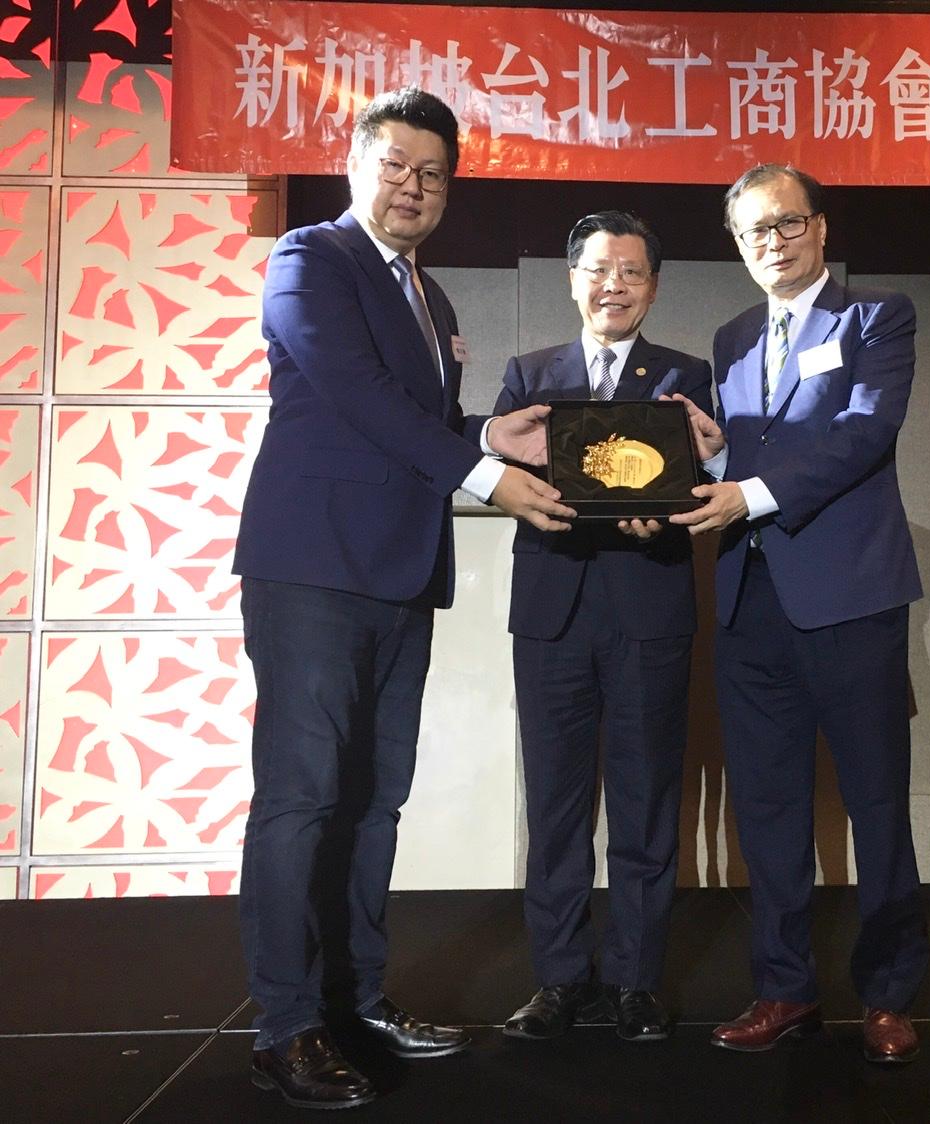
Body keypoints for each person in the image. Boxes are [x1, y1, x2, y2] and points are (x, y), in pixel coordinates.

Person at [233, 86, 575, 1110]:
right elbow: (354, 396)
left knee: (375, 798)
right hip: (310, 570)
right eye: (395, 166)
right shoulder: (307, 259)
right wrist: (484, 477)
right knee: (299, 799)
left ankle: (356, 999)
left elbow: (416, 415)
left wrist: (486, 435)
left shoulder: (432, 299)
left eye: (432, 173)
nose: (413, 187)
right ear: (355, 164)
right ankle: (285, 1024)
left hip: (397, 572)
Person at [669, 164, 929, 1063]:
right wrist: (700, 462)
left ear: (819, 227)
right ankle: (783, 989)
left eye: (784, 225)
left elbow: (865, 434)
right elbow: (735, 457)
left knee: (875, 804)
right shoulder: (732, 336)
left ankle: (889, 996)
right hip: (750, 600)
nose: (770, 244)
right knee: (769, 807)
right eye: (752, 233)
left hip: (851, 597)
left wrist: (750, 492)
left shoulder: (875, 316)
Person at [496, 211, 712, 1043]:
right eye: (597, 268)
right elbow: (502, 474)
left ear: (653, 286)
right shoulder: (529, 374)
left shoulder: (685, 374)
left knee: (646, 797)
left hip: (650, 607)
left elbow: (698, 481)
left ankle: (635, 980)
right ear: (572, 279)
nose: (612, 284)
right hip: (551, 614)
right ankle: (558, 981)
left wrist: (668, 512)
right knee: (554, 803)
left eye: (630, 271)